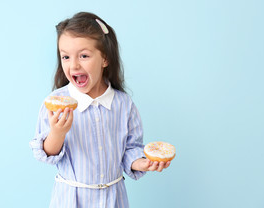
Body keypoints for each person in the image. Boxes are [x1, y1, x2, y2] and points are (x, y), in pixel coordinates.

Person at [30, 12, 171, 208]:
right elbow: (46, 153)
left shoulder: (123, 105)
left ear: (104, 58)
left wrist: (141, 163)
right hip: (71, 200)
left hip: (113, 199)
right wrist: (58, 133)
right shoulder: (55, 104)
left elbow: (131, 148)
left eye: (84, 56)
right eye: (66, 57)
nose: (74, 65)